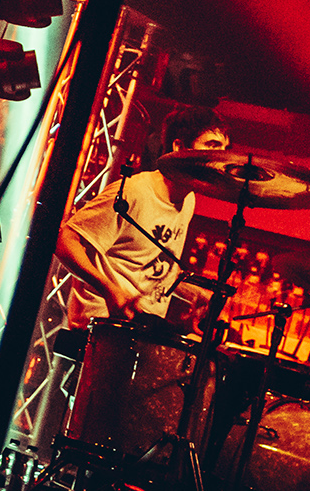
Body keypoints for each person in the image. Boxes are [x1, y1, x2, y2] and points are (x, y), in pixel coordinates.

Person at [54, 107, 231, 328]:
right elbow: (64, 241)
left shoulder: (188, 200)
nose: (220, 157)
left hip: (143, 326)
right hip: (101, 326)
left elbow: (153, 267)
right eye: (212, 146)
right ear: (179, 147)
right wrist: (110, 290)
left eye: (224, 149)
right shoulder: (134, 192)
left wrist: (195, 294)